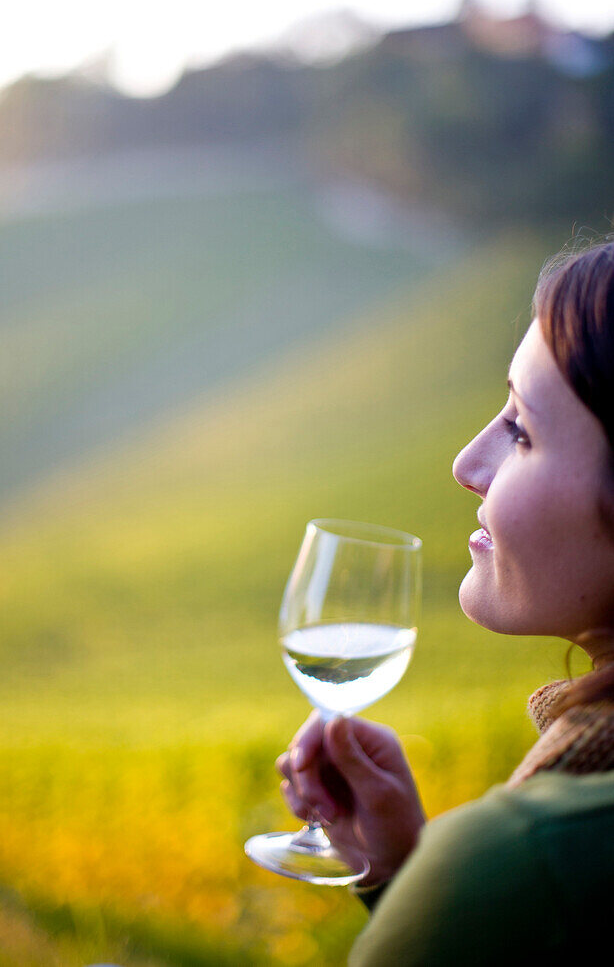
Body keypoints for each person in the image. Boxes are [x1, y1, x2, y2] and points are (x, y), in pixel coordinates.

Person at [277, 240, 614, 965]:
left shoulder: (531, 860)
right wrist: (410, 879)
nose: (467, 465)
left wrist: (470, 884)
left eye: (521, 430)